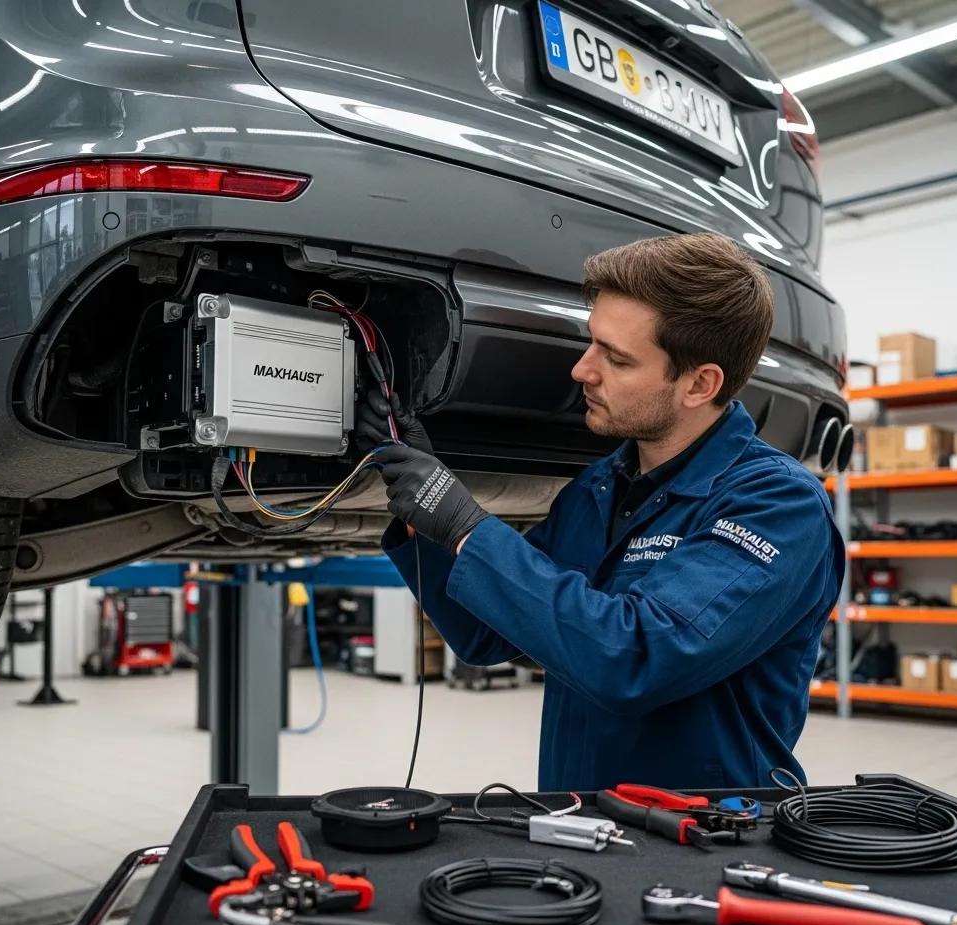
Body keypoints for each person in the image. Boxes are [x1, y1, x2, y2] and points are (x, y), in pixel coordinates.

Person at [357, 232, 844, 791]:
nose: (582, 370)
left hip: (704, 839)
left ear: (699, 384)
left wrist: (466, 525)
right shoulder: (598, 489)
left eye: (616, 359)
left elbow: (636, 657)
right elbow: (484, 635)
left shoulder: (777, 506)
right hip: (576, 822)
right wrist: (426, 518)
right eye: (593, 344)